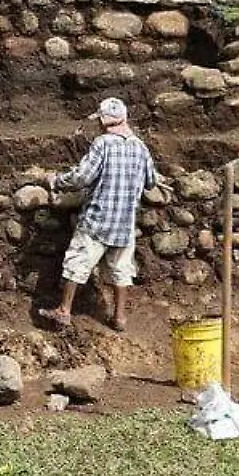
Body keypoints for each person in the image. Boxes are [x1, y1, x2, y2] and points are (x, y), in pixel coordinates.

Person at [40, 97, 158, 331]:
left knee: (77, 262)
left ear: (104, 121)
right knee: (121, 269)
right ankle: (119, 317)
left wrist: (57, 181)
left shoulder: (103, 144)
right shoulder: (140, 147)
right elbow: (151, 181)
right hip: (124, 223)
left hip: (98, 218)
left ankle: (64, 310)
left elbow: (83, 177)